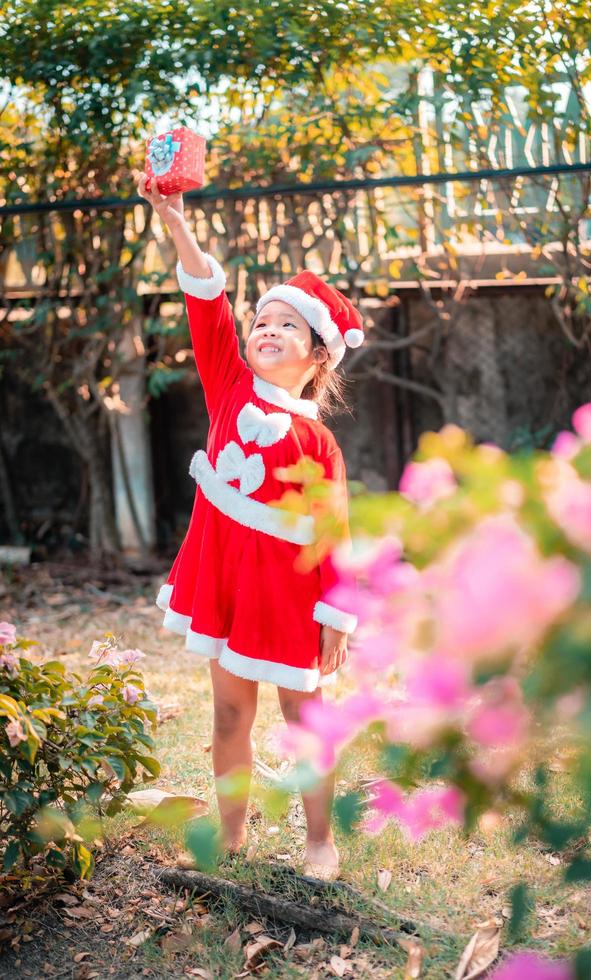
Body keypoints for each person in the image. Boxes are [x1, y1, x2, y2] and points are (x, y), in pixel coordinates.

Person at [136, 173, 365, 880]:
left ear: (317, 353)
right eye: (262, 319)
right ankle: (230, 836)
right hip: (226, 587)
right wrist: (177, 224)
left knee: (306, 727)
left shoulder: (320, 445)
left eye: (286, 323)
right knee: (229, 717)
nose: (266, 328)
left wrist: (337, 616)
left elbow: (333, 533)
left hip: (289, 604)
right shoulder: (229, 387)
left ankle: (321, 841)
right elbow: (208, 303)